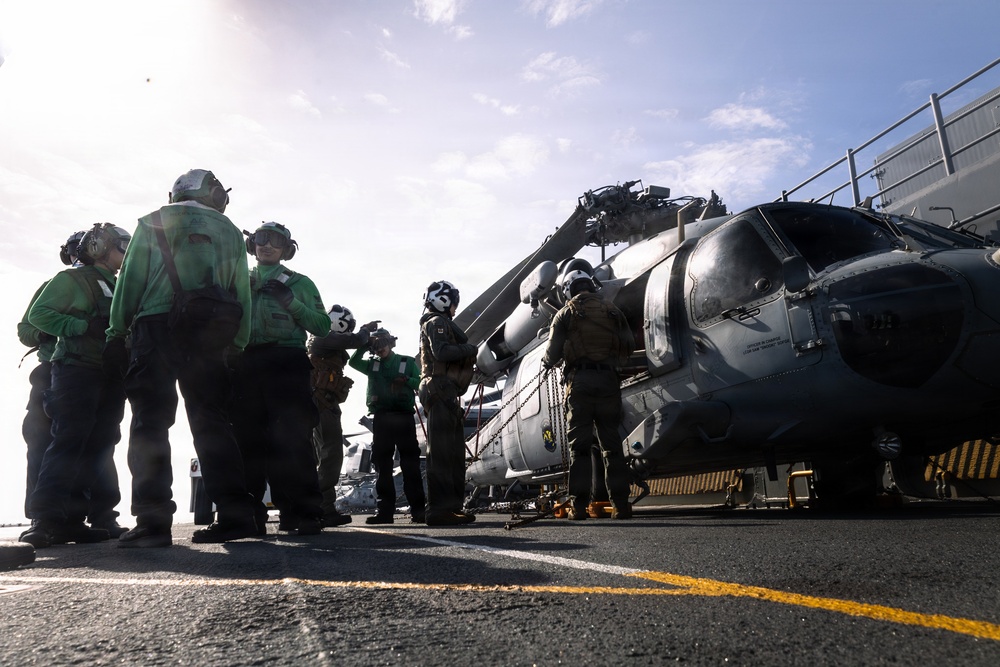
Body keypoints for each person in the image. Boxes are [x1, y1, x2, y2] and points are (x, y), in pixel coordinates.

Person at [107, 168, 257, 547]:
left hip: (156, 326)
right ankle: (237, 514)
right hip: (211, 331)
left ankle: (153, 522)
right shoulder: (229, 231)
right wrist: (237, 344)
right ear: (215, 195)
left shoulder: (155, 221)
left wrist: (116, 330)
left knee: (150, 423)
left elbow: (131, 279)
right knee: (212, 422)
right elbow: (241, 290)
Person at [20, 223, 131, 548]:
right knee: (67, 441)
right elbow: (39, 316)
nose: (126, 253)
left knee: (97, 446)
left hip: (110, 374)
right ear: (99, 248)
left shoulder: (119, 284)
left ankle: (73, 520)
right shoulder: (69, 279)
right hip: (74, 370)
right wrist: (80, 326)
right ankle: (45, 519)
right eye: (121, 246)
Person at [231, 221, 330, 535]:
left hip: (287, 362)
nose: (266, 245)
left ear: (286, 249)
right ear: (253, 245)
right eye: (261, 239)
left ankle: (304, 513)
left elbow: (322, 326)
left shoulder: (300, 283)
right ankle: (250, 515)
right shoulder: (239, 280)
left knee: (293, 439)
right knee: (247, 441)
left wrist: (291, 301)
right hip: (246, 363)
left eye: (274, 241)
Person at [541, 269, 636, 520]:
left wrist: (548, 362)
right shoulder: (613, 310)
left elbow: (551, 354)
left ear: (570, 289)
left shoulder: (565, 313)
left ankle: (579, 507)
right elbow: (629, 344)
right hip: (608, 381)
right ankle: (621, 505)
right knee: (611, 445)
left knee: (580, 448)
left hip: (580, 383)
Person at [307, 305, 379, 527]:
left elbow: (354, 343)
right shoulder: (322, 337)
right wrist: (366, 331)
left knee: (326, 457)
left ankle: (325, 509)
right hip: (322, 405)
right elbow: (354, 340)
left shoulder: (324, 342)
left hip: (325, 404)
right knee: (331, 456)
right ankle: (314, 506)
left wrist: (370, 341)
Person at [349, 327, 426, 524]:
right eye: (376, 344)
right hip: (382, 418)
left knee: (410, 464)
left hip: (403, 417)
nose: (380, 348)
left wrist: (407, 380)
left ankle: (418, 510)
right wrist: (364, 344)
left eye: (383, 343)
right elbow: (353, 362)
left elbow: (419, 383)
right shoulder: (372, 364)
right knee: (382, 466)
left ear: (391, 343)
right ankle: (385, 512)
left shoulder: (406, 362)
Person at [417, 281, 477, 526]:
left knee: (453, 454)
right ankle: (439, 510)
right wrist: (470, 349)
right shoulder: (437, 323)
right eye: (452, 301)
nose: (454, 307)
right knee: (442, 454)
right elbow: (441, 353)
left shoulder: (438, 323)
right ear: (442, 299)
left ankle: (451, 508)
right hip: (440, 390)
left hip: (446, 392)